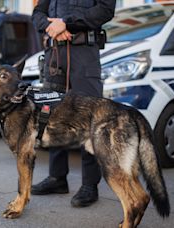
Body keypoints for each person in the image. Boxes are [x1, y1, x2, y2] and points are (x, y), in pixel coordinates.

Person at [31, 0, 116, 207]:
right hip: (54, 56)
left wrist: (66, 23)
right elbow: (37, 13)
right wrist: (52, 27)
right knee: (52, 117)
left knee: (88, 119)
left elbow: (105, 10)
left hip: (84, 54)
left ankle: (90, 185)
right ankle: (57, 178)